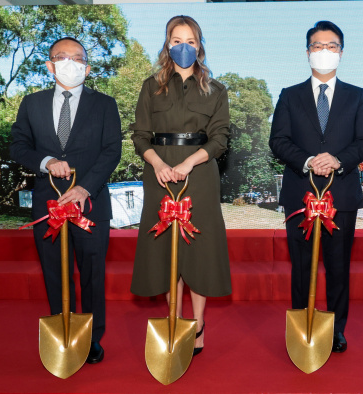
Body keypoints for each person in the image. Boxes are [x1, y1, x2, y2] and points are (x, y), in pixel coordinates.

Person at [10, 37, 122, 364]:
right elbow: (19, 147)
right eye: (62, 57)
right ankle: (64, 332)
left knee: (92, 275)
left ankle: (92, 339)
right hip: (49, 206)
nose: (70, 63)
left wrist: (85, 187)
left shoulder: (105, 104)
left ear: (87, 67)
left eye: (78, 58)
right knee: (54, 274)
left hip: (91, 204)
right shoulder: (31, 103)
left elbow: (111, 150)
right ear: (49, 65)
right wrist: (45, 162)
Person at [269, 21, 363, 353]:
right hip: (300, 192)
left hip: (340, 193)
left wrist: (336, 159)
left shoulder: (358, 96)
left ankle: (336, 329)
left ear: (341, 52)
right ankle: (303, 322)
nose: (324, 51)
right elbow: (278, 141)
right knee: (301, 266)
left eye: (331, 46)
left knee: (338, 266)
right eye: (317, 45)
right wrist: (309, 160)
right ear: (307, 52)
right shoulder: (289, 95)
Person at [130, 15, 231, 356]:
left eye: (190, 40)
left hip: (199, 175)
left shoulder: (217, 90)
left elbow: (220, 139)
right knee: (167, 248)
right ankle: (173, 319)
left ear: (199, 45)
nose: (183, 46)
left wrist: (189, 162)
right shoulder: (150, 86)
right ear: (167, 44)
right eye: (177, 40)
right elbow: (140, 135)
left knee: (198, 251)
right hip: (159, 175)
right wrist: (158, 163)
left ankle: (198, 325)